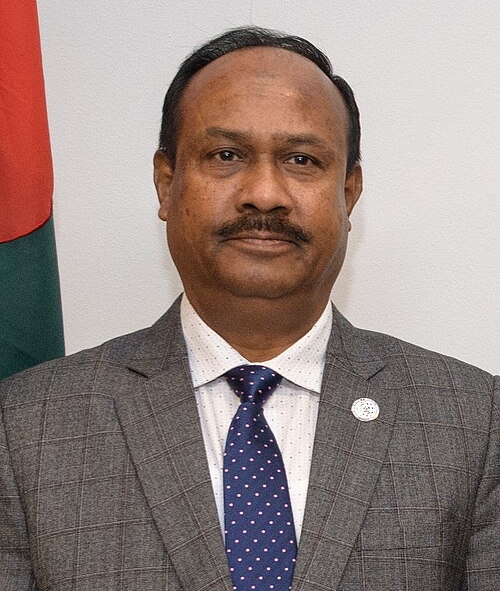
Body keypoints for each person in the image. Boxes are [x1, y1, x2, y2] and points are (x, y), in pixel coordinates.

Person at [0, 26, 498, 591]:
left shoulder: (474, 422)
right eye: (227, 155)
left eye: (302, 159)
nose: (265, 193)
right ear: (166, 184)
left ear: (348, 193)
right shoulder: (25, 427)